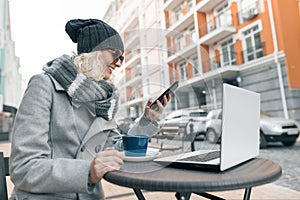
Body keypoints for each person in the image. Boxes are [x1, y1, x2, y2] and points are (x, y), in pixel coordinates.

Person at [9, 19, 170, 200]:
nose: (118, 63)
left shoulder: (104, 99)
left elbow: (116, 150)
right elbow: (23, 167)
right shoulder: (44, 86)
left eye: (122, 58)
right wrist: (87, 172)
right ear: (93, 51)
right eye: (115, 54)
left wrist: (147, 121)